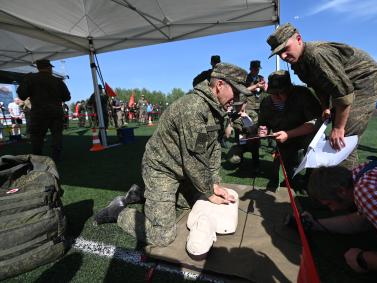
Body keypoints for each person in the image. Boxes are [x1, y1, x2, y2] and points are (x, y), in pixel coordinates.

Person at [94, 63, 251, 247]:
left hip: (182, 168)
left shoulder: (216, 109)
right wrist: (209, 190)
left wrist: (214, 181)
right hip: (162, 170)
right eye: (236, 92)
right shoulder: (193, 108)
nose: (238, 98)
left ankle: (141, 192)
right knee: (162, 236)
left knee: (192, 203)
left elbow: (213, 148)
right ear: (220, 85)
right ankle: (117, 212)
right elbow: (194, 159)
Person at [267, 23, 377, 169]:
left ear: (299, 39)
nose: (283, 56)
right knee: (338, 135)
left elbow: (344, 93)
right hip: (344, 85)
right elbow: (318, 86)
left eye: (285, 49)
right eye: (278, 53)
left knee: (343, 138)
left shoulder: (317, 55)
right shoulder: (298, 62)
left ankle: (343, 184)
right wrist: (325, 107)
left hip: (364, 80)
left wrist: (339, 128)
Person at [258, 70, 321, 186]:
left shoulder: (303, 95)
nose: (276, 96)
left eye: (281, 92)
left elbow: (315, 123)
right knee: (279, 177)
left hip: (303, 137)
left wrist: (288, 134)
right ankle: (295, 162)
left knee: (315, 143)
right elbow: (263, 123)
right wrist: (263, 130)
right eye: (273, 92)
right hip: (284, 143)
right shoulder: (266, 103)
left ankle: (311, 176)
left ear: (290, 88)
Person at [17, 59, 71, 161]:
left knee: (37, 137)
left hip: (39, 113)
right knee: (57, 136)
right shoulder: (57, 81)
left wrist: (24, 81)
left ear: (38, 68)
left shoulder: (31, 79)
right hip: (56, 112)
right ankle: (56, 158)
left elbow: (22, 95)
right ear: (49, 67)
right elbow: (67, 97)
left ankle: (38, 159)